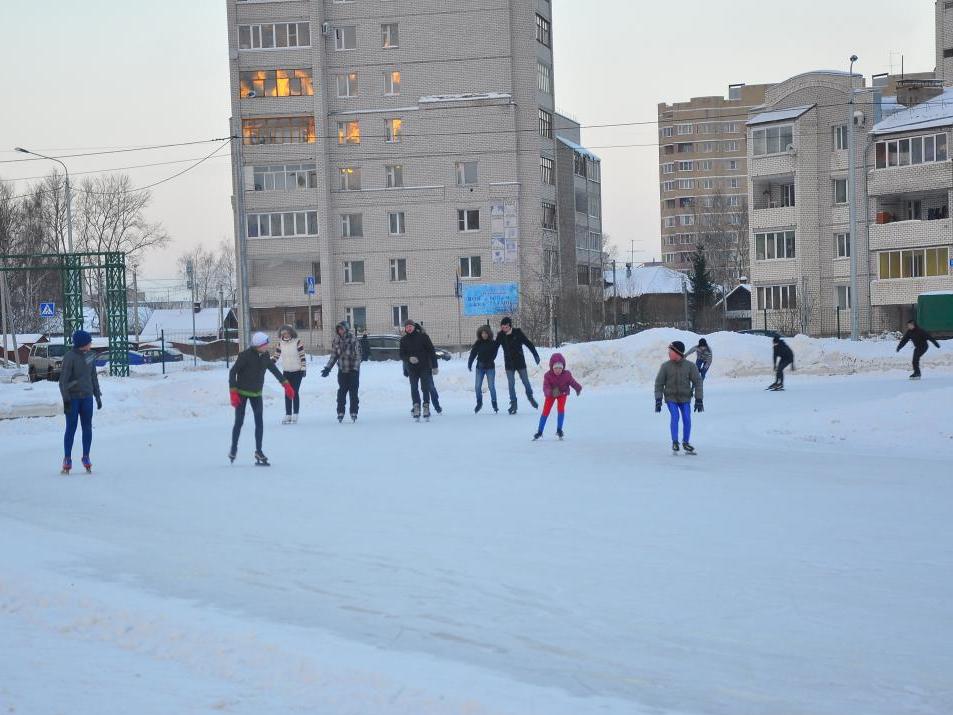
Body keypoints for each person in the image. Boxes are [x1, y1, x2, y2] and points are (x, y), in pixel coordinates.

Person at [229, 331, 295, 465]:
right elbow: (233, 372)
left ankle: (258, 451)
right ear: (259, 345)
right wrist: (233, 391)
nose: (267, 346)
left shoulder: (265, 356)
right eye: (266, 344)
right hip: (241, 392)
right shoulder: (245, 356)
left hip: (256, 394)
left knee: (259, 423)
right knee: (239, 422)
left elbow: (274, 370)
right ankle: (234, 448)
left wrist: (286, 384)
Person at [58, 330, 102, 474]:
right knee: (71, 428)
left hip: (87, 398)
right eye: (89, 342)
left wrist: (97, 395)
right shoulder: (70, 357)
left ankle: (86, 456)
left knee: (87, 427)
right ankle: (67, 458)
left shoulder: (90, 355)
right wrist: (66, 400)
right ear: (83, 343)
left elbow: (93, 376)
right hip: (73, 399)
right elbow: (63, 381)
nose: (91, 344)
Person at [655, 340, 703, 454]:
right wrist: (658, 399)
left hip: (685, 397)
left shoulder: (690, 366)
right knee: (675, 417)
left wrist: (699, 399)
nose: (668, 353)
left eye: (670, 351)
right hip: (671, 397)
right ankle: (675, 442)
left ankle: (686, 443)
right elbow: (659, 383)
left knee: (687, 417)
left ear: (677, 352)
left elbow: (698, 382)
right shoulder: (665, 366)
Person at [496, 316, 540, 414]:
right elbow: (495, 347)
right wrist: (491, 358)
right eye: (502, 327)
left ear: (509, 325)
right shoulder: (501, 335)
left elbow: (528, 343)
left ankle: (530, 397)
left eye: (504, 327)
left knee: (526, 382)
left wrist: (535, 354)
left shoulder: (518, 332)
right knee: (511, 384)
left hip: (520, 362)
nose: (503, 329)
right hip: (509, 364)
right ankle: (513, 403)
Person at [533, 353, 582, 441]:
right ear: (552, 367)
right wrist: (549, 392)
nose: (558, 370)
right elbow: (546, 386)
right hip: (551, 394)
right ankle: (540, 431)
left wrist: (578, 388)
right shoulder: (547, 375)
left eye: (560, 368)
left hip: (562, 393)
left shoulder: (567, 375)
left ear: (563, 368)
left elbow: (572, 382)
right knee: (546, 411)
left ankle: (559, 430)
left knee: (561, 409)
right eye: (556, 368)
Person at [321, 322, 362, 422]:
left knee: (353, 392)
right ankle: (340, 412)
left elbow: (358, 356)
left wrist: (355, 369)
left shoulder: (353, 339)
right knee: (341, 392)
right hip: (342, 370)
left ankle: (353, 412)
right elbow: (334, 355)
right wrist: (328, 368)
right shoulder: (336, 340)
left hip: (353, 370)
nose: (340, 331)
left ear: (346, 329)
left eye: (342, 329)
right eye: (339, 329)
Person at [399, 319, 437, 420]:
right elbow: (401, 355)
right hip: (412, 369)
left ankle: (426, 407)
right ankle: (416, 407)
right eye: (407, 327)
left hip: (424, 367)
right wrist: (409, 359)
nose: (409, 328)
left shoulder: (423, 337)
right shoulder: (403, 340)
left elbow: (432, 351)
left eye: (410, 326)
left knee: (425, 388)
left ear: (414, 327)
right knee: (414, 388)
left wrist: (434, 366)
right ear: (405, 329)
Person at [273, 325, 306, 424]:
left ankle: (295, 414)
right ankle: (288, 414)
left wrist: (303, 368)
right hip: (286, 372)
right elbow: (276, 356)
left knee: (294, 392)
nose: (285, 335)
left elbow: (302, 356)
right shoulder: (280, 343)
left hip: (297, 371)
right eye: (283, 333)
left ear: (291, 333)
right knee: (288, 392)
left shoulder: (297, 341)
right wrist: (268, 363)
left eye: (287, 333)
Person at [468, 325, 499, 413]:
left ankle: (494, 403)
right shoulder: (478, 343)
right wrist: (470, 363)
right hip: (480, 367)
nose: (484, 335)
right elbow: (473, 353)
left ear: (489, 334)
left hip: (490, 368)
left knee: (491, 386)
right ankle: (479, 402)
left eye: (485, 333)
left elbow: (494, 354)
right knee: (477, 386)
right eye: (482, 333)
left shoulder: (493, 343)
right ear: (480, 334)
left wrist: (490, 359)